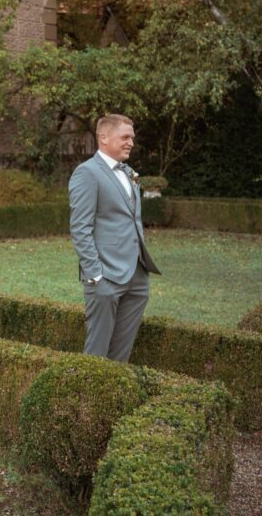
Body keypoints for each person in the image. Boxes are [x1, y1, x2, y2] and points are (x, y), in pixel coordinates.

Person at [68, 114, 160, 362]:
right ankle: (89, 388)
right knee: (96, 355)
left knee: (121, 353)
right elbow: (80, 228)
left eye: (132, 137)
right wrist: (95, 275)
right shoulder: (87, 173)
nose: (131, 142)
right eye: (125, 137)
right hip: (106, 276)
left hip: (137, 275)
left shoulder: (129, 173)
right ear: (104, 138)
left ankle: (116, 387)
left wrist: (141, 271)